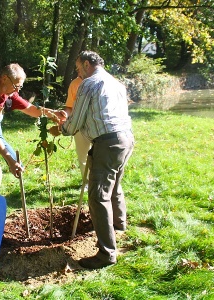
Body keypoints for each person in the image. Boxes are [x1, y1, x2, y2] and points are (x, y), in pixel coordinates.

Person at [50, 51, 134, 269]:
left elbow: (75, 121)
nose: (78, 73)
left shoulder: (89, 84)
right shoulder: (116, 83)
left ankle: (107, 254)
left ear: (87, 64)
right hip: (126, 139)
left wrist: (60, 128)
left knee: (98, 197)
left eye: (78, 68)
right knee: (114, 185)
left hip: (107, 143)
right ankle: (119, 225)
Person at [0, 63, 64, 193]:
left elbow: (32, 110)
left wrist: (54, 113)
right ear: (4, 78)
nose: (17, 91)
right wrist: (10, 161)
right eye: (16, 86)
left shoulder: (7, 92)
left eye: (19, 87)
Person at [64, 66, 91, 191]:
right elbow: (69, 106)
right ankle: (87, 182)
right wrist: (65, 117)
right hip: (79, 125)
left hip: (98, 126)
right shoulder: (75, 84)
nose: (77, 71)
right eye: (76, 69)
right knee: (83, 155)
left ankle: (100, 182)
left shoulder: (102, 81)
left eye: (79, 68)